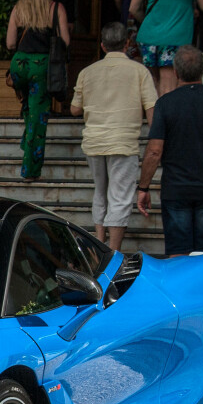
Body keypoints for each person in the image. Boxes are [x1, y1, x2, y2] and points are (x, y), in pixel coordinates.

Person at [136, 46, 203, 256]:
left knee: (177, 253)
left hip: (175, 189)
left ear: (176, 72)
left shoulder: (166, 104)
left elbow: (154, 151)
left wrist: (144, 187)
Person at [70, 22, 157, 251]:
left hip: (94, 141)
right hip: (123, 141)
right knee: (119, 196)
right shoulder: (140, 72)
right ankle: (113, 250)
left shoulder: (87, 72)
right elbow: (152, 113)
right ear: (127, 44)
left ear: (102, 45)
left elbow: (74, 109)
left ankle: (99, 240)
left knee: (100, 191)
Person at [6, 0, 71, 181]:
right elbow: (66, 42)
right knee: (38, 117)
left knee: (28, 106)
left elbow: (10, 43)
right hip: (40, 66)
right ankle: (30, 171)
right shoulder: (55, 8)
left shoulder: (18, 8)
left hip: (19, 66)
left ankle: (27, 140)